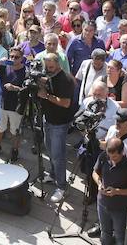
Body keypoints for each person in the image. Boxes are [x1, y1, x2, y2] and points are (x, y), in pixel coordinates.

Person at [91, 137, 127, 245]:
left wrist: (117, 191)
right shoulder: (103, 157)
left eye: (115, 156)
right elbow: (95, 172)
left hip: (119, 208)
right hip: (102, 204)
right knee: (105, 233)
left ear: (122, 152)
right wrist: (99, 183)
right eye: (109, 155)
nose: (112, 158)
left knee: (120, 236)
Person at [39, 51, 75, 203]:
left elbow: (66, 103)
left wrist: (46, 96)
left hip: (59, 123)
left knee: (58, 155)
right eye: (46, 66)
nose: (48, 69)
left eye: (51, 67)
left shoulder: (66, 79)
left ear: (58, 64)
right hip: (48, 119)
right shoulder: (48, 76)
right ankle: (53, 175)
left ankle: (61, 186)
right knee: (50, 150)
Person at [0, 46, 27, 161]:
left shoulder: (25, 71)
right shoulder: (5, 67)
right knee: (0, 127)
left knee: (15, 131)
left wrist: (15, 88)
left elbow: (26, 90)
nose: (13, 59)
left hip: (16, 106)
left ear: (22, 58)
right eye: (11, 56)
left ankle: (14, 150)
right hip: (3, 103)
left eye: (16, 57)